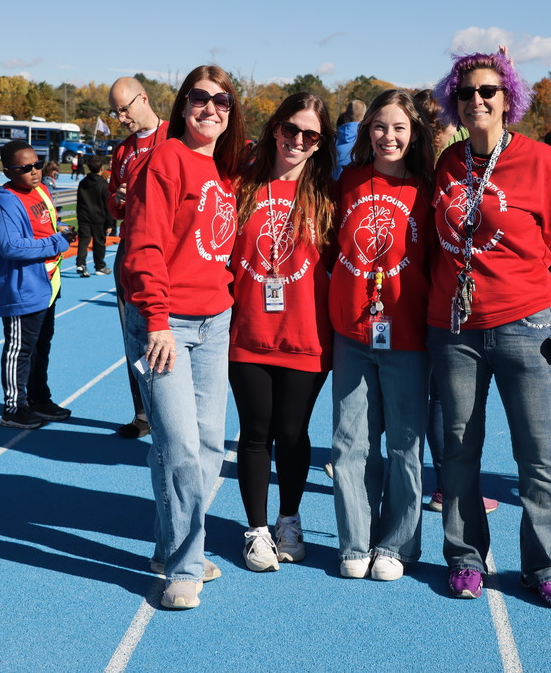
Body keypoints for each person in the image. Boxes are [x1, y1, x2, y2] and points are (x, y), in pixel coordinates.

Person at [428, 51, 551, 607]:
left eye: (488, 91)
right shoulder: (448, 163)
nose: (477, 99)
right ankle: (465, 559)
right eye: (467, 92)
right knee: (458, 453)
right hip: (456, 331)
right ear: (454, 100)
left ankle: (543, 566)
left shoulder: (539, 160)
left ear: (507, 99)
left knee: (537, 457)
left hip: (527, 326)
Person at [120, 65, 247, 610]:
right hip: (166, 323)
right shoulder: (165, 159)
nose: (211, 108)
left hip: (214, 322)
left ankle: (167, 547)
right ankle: (185, 565)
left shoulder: (224, 169)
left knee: (210, 444)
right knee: (177, 445)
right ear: (182, 104)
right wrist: (156, 319)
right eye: (200, 98)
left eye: (222, 101)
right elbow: (144, 244)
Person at [330, 89, 436, 581]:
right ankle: (356, 541)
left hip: (408, 336)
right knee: (350, 444)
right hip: (353, 334)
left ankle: (396, 545)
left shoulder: (427, 188)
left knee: (404, 447)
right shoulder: (347, 181)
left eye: (398, 128)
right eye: (379, 126)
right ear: (366, 130)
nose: (388, 136)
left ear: (414, 133)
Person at [229, 92, 336, 572]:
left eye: (309, 135)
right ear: (275, 128)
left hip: (305, 337)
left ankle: (288, 520)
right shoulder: (242, 186)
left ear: (320, 143)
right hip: (248, 333)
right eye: (291, 129)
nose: (297, 140)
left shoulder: (328, 196)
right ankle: (256, 530)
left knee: (293, 434)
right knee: (255, 433)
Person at [412, 87, 498, 516]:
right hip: (440, 293)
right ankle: (449, 486)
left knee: (426, 394)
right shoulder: (447, 164)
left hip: (418, 288)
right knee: (443, 398)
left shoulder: (416, 162)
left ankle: (439, 483)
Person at [0, 141, 77, 429]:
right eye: (25, 168)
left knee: (41, 345)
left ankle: (39, 398)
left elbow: (43, 226)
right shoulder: (5, 201)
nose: (34, 171)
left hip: (47, 282)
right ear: (7, 171)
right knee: (20, 348)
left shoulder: (41, 190)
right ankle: (14, 408)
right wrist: (57, 242)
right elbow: (11, 246)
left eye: (37, 164)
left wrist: (60, 231)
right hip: (23, 286)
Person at [106, 76, 170, 439]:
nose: (121, 118)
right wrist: (119, 200)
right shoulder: (122, 150)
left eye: (124, 110)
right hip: (130, 250)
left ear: (143, 98)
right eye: (115, 113)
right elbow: (112, 205)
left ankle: (171, 414)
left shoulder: (176, 137)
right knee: (132, 336)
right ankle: (143, 414)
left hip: (168, 251)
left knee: (167, 332)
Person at [75, 157, 112, 277]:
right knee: (99, 243)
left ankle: (81, 263)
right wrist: (109, 223)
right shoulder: (103, 184)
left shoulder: (83, 183)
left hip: (84, 216)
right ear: (101, 168)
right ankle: (99, 266)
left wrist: (79, 216)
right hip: (99, 218)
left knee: (83, 241)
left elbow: (79, 201)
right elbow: (107, 205)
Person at [333, 99, 365, 178]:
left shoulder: (331, 140)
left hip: (333, 183)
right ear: (364, 117)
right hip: (357, 183)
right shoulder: (367, 139)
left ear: (345, 116)